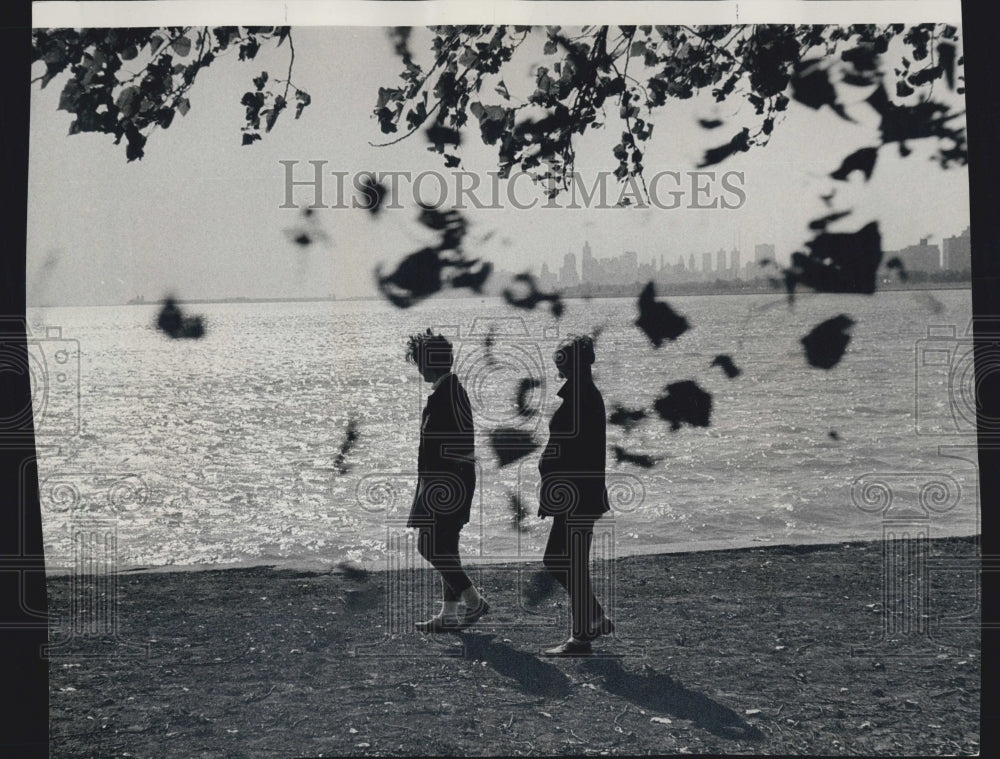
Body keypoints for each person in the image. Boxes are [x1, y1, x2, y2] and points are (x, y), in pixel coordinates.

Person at [406, 329, 489, 632]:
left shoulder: (448, 395)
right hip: (448, 483)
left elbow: (454, 447)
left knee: (429, 546)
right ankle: (449, 614)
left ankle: (474, 601)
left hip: (446, 486)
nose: (418, 368)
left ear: (429, 362)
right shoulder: (450, 391)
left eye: (418, 361)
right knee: (446, 547)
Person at [538, 334, 614, 656]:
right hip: (577, 495)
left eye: (562, 358)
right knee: (566, 561)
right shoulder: (582, 395)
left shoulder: (581, 398)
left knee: (562, 560)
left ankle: (583, 634)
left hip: (575, 498)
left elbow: (571, 454)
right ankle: (591, 621)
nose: (558, 364)